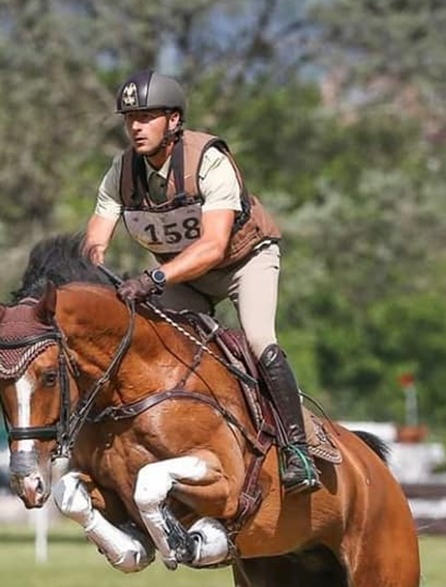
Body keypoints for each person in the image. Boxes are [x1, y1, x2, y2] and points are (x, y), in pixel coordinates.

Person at [83, 69, 319, 494]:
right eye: (130, 118)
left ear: (174, 120)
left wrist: (153, 277)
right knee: (164, 351)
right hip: (183, 276)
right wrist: (94, 270)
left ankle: (296, 449)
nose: (136, 127)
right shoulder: (121, 171)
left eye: (148, 116)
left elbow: (213, 246)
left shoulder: (208, 159)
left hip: (243, 261)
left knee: (259, 340)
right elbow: (97, 238)